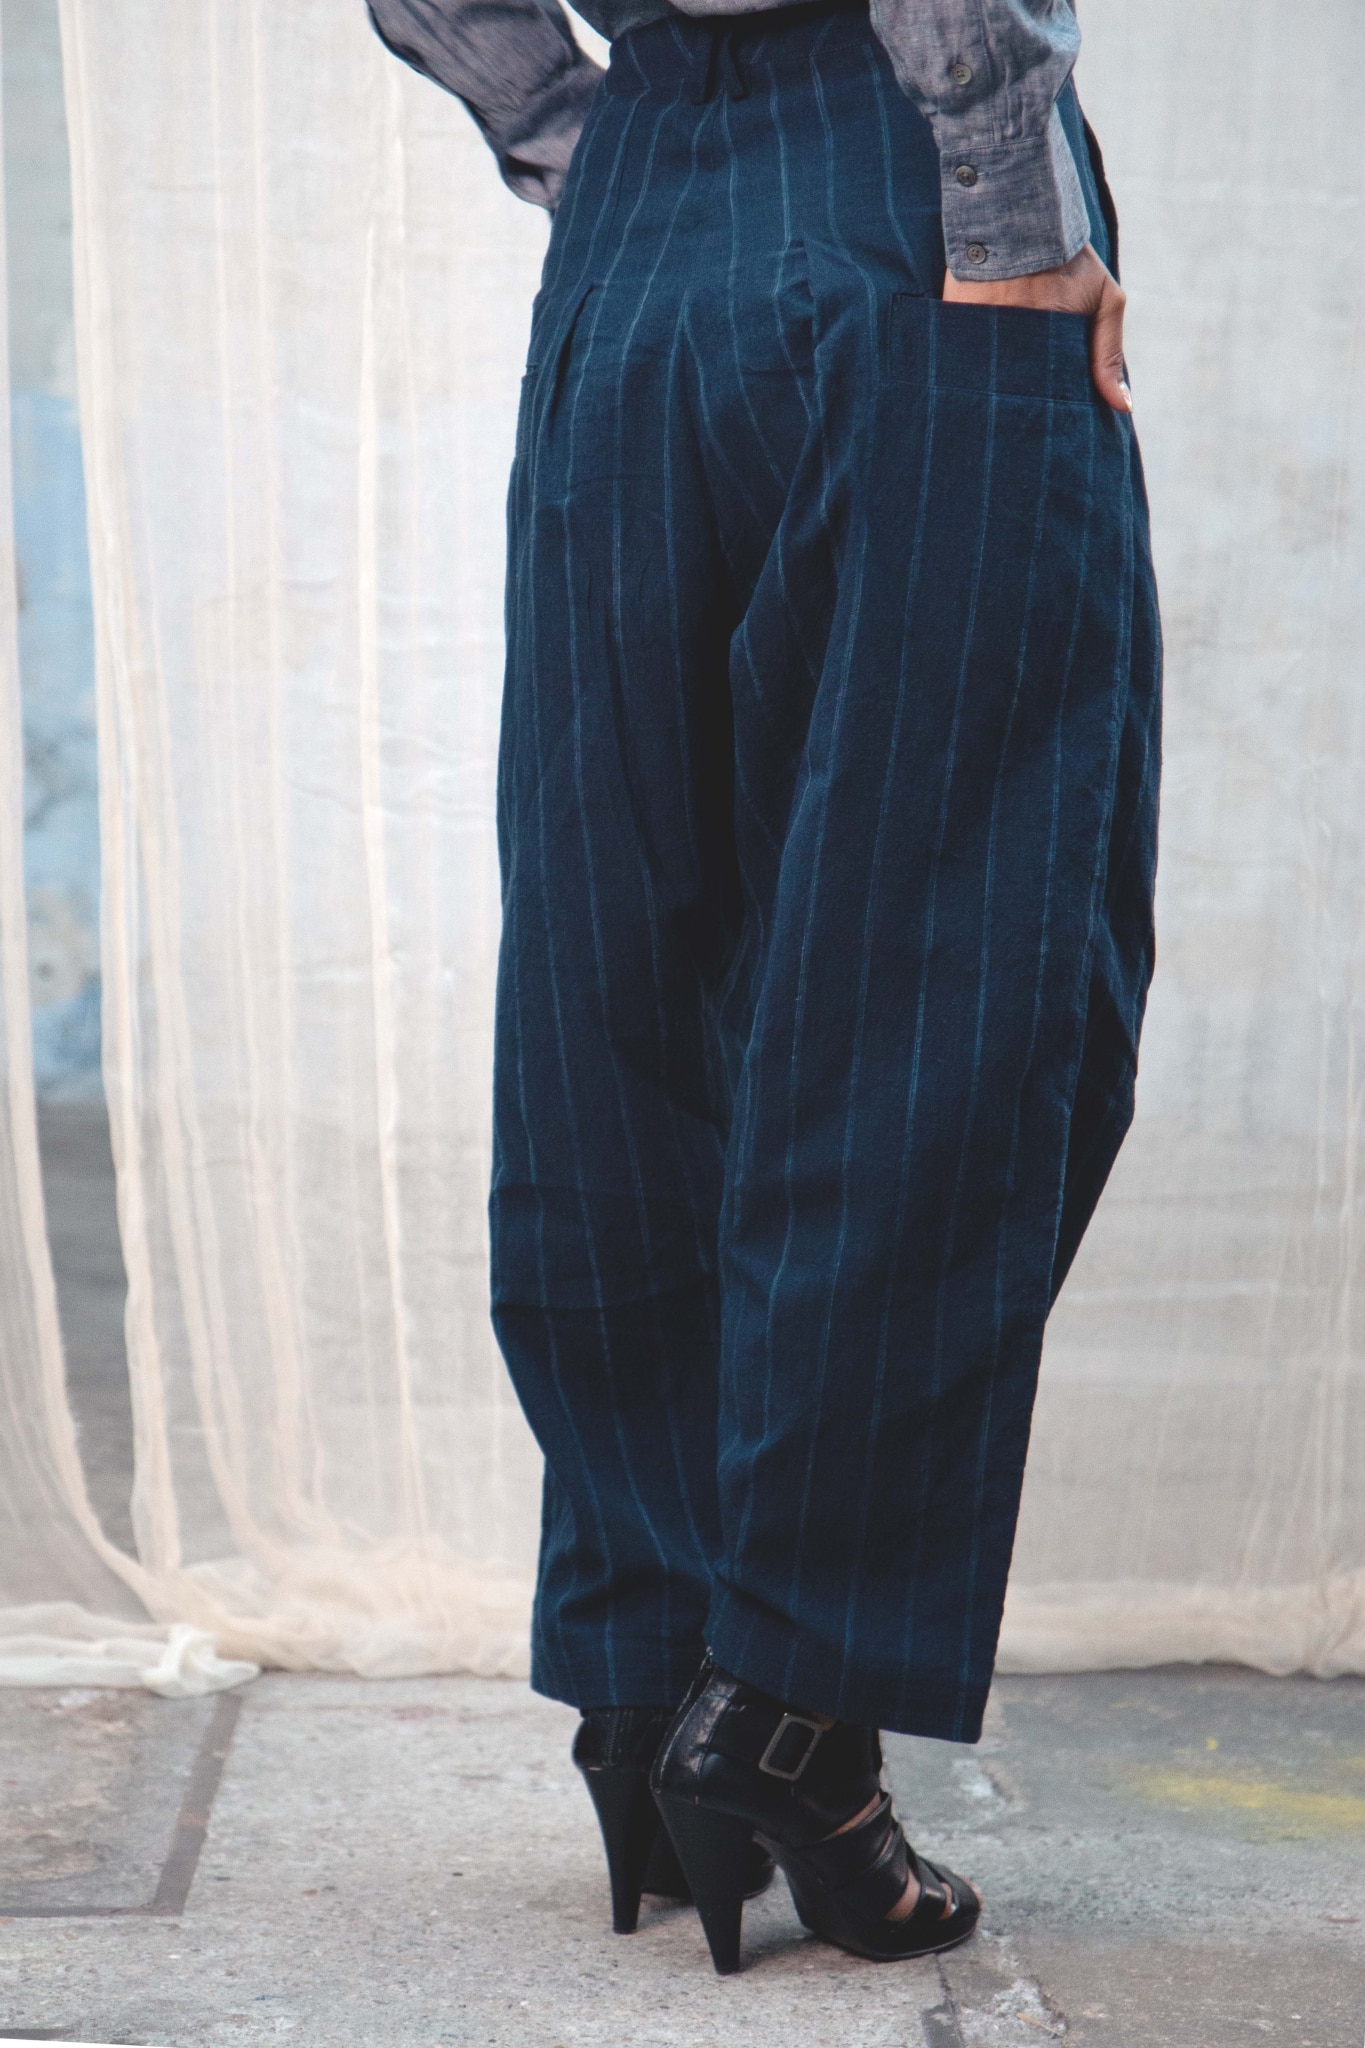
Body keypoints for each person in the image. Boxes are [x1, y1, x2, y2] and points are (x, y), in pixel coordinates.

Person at [368, 0, 1160, 1975]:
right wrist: (1004, 195)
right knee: (960, 962)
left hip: (636, 223)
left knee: (624, 956)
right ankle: (789, 1703)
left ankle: (647, 1679)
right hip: (900, 187)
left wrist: (587, 145)